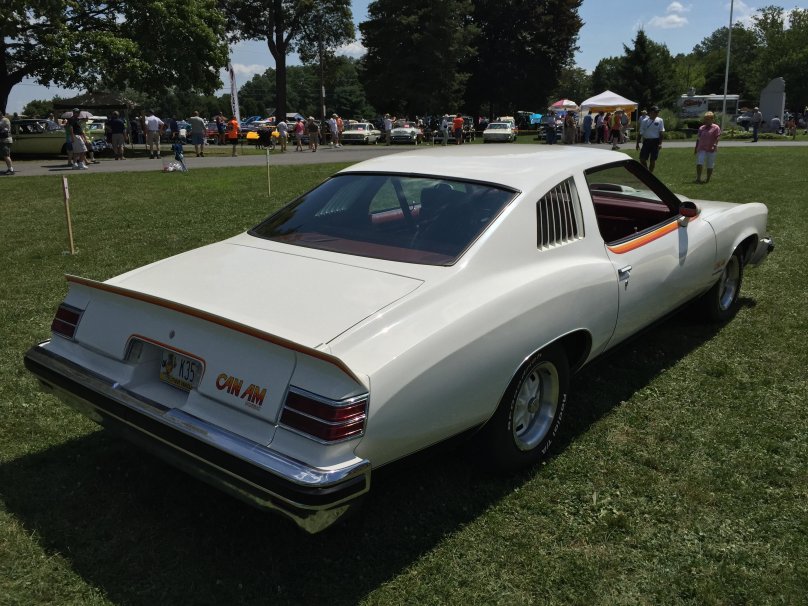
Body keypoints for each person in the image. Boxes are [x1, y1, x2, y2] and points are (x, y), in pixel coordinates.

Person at [694, 111, 721, 184]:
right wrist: (696, 148)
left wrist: (715, 144)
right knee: (699, 162)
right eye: (705, 119)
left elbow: (717, 137)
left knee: (710, 164)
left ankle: (708, 179)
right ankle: (698, 178)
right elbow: (698, 139)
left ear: (712, 119)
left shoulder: (716, 127)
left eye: (708, 119)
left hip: (711, 149)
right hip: (701, 148)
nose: (706, 121)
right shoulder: (701, 128)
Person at [638, 105, 665, 173]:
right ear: (651, 112)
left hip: (655, 142)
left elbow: (661, 132)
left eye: (658, 112)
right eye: (656, 112)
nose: (657, 113)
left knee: (653, 160)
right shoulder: (644, 121)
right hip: (646, 141)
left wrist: (660, 144)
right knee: (642, 159)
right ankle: (647, 172)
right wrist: (637, 143)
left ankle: (650, 174)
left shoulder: (660, 120)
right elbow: (640, 132)